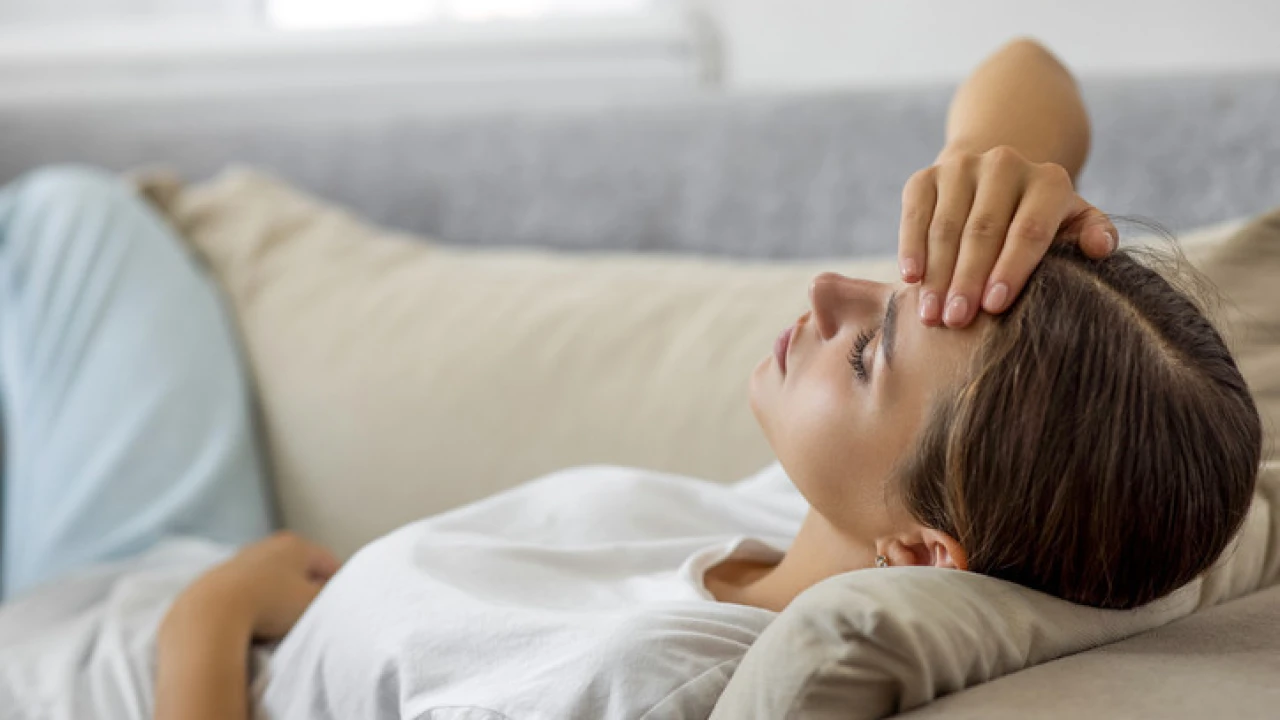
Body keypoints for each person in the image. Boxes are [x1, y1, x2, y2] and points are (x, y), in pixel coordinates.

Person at [0, 37, 1261, 720]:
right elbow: (1027, 64)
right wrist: (989, 162)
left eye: (869, 347)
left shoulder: (643, 684)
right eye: (886, 292)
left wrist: (212, 616)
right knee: (73, 219)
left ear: (925, 552)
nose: (827, 293)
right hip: (155, 567)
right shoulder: (828, 517)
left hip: (98, 677)